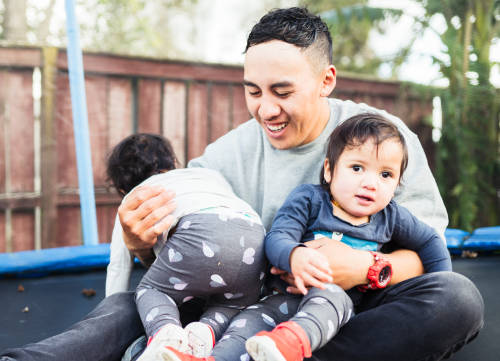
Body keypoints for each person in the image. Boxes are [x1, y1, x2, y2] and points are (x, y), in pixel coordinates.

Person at [0, 6, 483, 361]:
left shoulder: (381, 142)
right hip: (249, 309)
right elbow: (184, 261)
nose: (266, 109)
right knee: (134, 303)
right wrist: (140, 245)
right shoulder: (224, 157)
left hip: (353, 308)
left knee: (456, 301)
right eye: (253, 91)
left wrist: (363, 267)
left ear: (326, 80)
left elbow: (430, 248)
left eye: (282, 92)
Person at [160, 113, 453, 361]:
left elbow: (430, 243)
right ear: (329, 170)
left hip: (339, 308)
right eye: (356, 168)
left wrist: (440, 284)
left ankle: (290, 345)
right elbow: (278, 236)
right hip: (284, 299)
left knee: (331, 298)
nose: (370, 183)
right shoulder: (310, 200)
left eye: (385, 175)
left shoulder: (392, 216)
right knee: (246, 323)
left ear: (397, 184)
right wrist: (294, 255)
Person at [104, 133, 266, 360]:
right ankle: (203, 333)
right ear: (173, 163)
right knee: (232, 305)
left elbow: (118, 267)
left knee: (151, 290)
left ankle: (166, 335)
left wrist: (112, 310)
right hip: (255, 234)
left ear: (121, 189)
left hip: (201, 231)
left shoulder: (132, 199)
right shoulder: (207, 175)